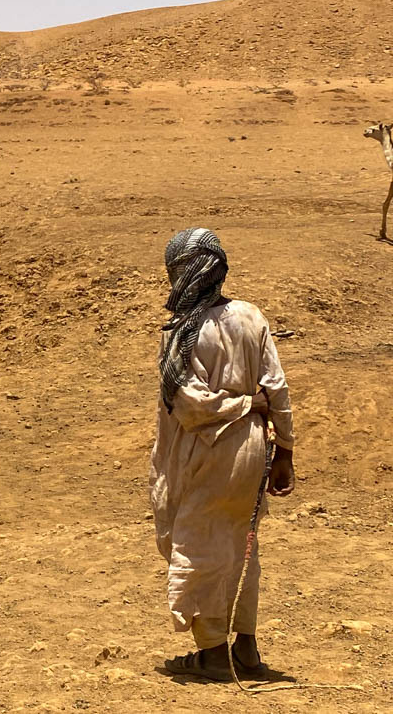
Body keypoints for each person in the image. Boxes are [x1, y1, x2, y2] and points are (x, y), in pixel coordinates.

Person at [150, 228, 295, 681]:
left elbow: (188, 403)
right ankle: (246, 648)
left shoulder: (183, 331)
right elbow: (278, 388)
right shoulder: (251, 316)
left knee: (196, 543)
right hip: (254, 447)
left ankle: (212, 652)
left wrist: (239, 404)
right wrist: (285, 449)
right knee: (240, 545)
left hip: (205, 450)